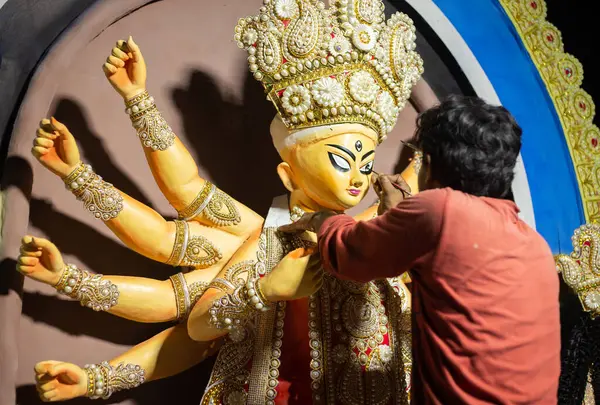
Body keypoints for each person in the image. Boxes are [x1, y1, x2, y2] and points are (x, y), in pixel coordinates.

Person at [17, 0, 431, 402]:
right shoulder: (264, 245)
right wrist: (265, 290)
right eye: (342, 160)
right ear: (288, 174)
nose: (358, 176)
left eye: (366, 163)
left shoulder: (378, 244)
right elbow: (190, 325)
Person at [281, 95, 561, 404]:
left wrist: (325, 221)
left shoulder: (441, 211)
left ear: (428, 163)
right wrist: (397, 218)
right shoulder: (534, 244)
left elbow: (350, 254)